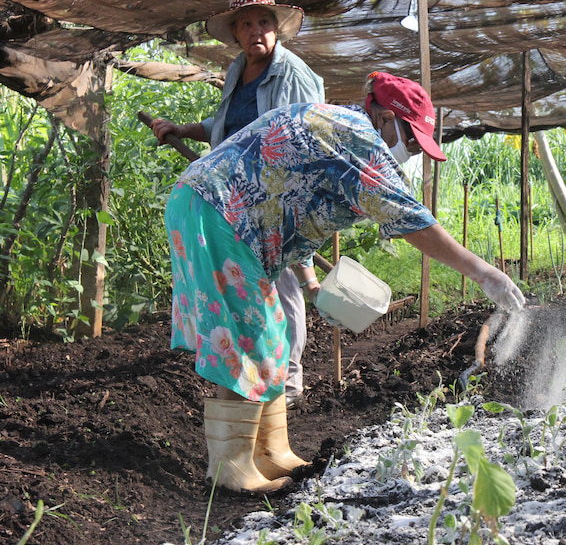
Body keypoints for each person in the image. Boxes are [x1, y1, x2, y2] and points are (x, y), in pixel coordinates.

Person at [165, 71, 526, 494]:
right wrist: (483, 273)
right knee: (249, 335)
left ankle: (270, 450)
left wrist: (312, 282)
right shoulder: (356, 138)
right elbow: (411, 220)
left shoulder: (343, 129)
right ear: (387, 118)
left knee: (273, 333)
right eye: (411, 141)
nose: (410, 153)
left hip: (222, 213)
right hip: (219, 212)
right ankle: (230, 468)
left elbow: (292, 204)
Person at [151, 0, 323, 410]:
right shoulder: (236, 71)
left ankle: (290, 379)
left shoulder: (293, 73)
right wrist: (185, 129)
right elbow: (223, 126)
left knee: (281, 285)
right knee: (251, 284)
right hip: (234, 197)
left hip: (275, 198)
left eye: (263, 22)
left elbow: (309, 132)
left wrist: (286, 200)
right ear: (236, 34)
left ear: (276, 28)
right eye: (245, 25)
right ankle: (257, 368)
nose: (255, 31)